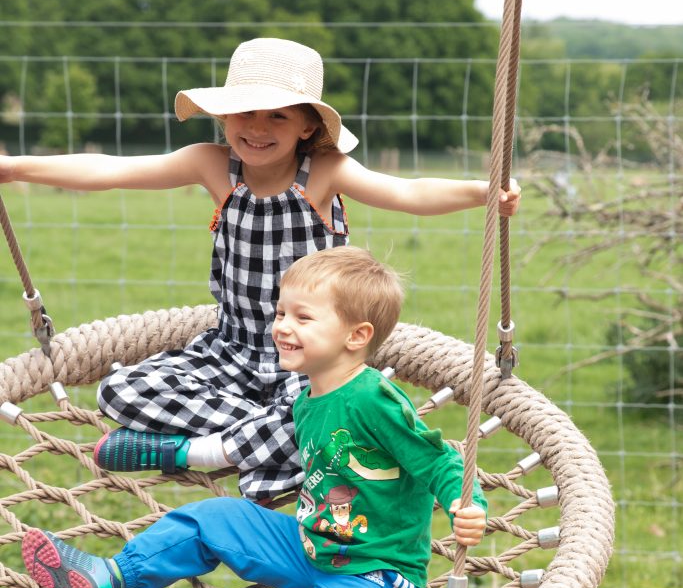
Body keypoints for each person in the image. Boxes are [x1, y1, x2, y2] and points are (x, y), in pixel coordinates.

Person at [1, 37, 520, 501]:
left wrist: (482, 193)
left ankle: (206, 453)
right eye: (244, 113)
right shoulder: (211, 163)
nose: (256, 128)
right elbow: (113, 171)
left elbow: (407, 192)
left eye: (277, 116)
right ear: (223, 117)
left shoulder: (324, 172)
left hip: (309, 358)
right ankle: (280, 447)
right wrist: (15, 167)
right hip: (231, 350)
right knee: (121, 391)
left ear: (307, 125)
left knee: (328, 408)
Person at [21, 246, 488, 588]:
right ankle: (111, 575)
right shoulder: (307, 397)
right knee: (211, 519)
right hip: (309, 543)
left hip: (373, 570)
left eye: (303, 318)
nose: (282, 326)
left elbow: (441, 458)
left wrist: (465, 504)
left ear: (357, 336)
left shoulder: (372, 400)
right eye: (282, 312)